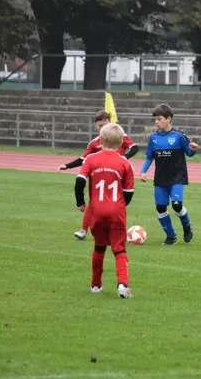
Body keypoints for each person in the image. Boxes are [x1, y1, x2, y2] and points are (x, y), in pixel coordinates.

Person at [75, 123, 135, 299]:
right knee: (119, 249)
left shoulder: (91, 159)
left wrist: (80, 202)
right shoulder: (125, 163)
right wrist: (121, 206)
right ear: (120, 143)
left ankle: (96, 285)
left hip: (96, 211)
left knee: (99, 247)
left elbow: (80, 181)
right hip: (116, 211)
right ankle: (123, 285)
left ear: (100, 139)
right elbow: (129, 192)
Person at [58, 110, 138, 240]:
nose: (104, 128)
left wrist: (123, 158)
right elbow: (83, 158)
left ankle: (117, 229)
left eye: (106, 125)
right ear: (96, 126)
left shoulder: (120, 135)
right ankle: (83, 230)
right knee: (95, 200)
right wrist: (67, 166)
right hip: (101, 174)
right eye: (100, 126)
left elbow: (134, 147)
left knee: (119, 200)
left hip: (118, 174)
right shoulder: (95, 143)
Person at [140, 104, 198, 245]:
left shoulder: (179, 136)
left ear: (168, 119)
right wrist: (143, 171)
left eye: (159, 119)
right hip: (160, 179)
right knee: (160, 208)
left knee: (177, 205)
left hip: (177, 178)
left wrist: (193, 149)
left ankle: (187, 226)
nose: (156, 122)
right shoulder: (153, 138)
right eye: (155, 119)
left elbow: (189, 153)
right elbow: (149, 157)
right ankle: (171, 236)